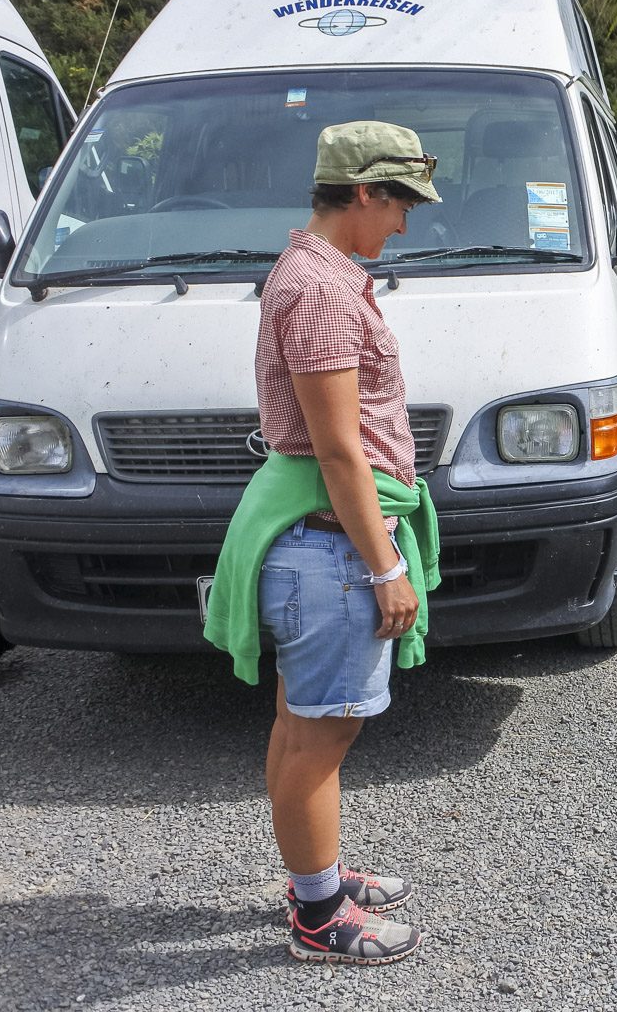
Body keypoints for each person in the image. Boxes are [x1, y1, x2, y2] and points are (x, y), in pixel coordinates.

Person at [204, 120, 443, 964]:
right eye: (401, 203)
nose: (406, 224)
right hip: (333, 549)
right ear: (365, 192)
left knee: (301, 728)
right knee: (320, 739)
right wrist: (384, 563)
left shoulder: (322, 274)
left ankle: (320, 877)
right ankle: (319, 919)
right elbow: (338, 447)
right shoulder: (319, 289)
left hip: (322, 541)